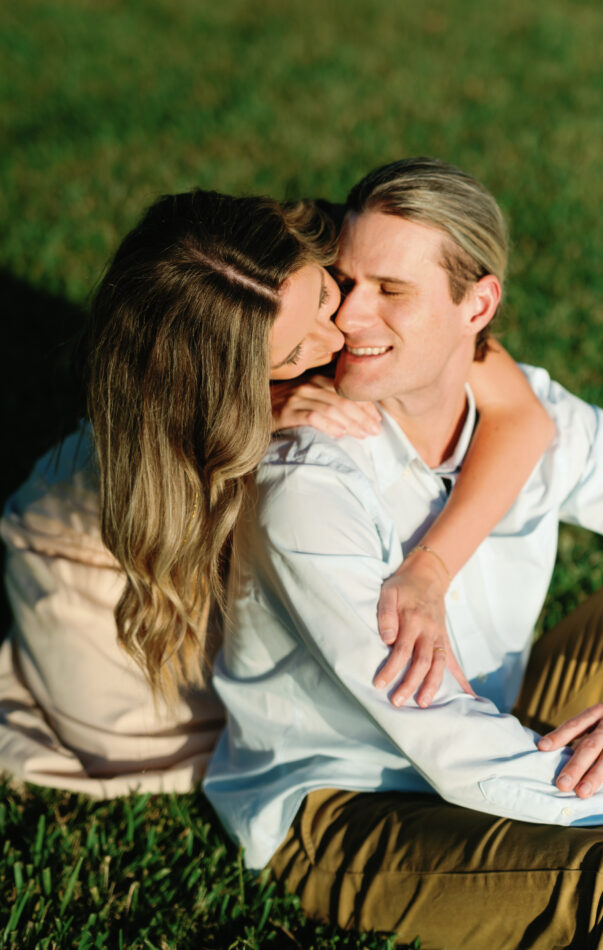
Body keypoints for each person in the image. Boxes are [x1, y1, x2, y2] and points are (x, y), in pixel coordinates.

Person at [204, 159, 603, 950]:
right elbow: (446, 750)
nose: (349, 318)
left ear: (478, 306)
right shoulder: (308, 479)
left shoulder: (528, 410)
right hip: (348, 802)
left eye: (391, 289)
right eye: (345, 283)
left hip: (504, 714)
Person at [0, 186, 552, 795]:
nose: (338, 336)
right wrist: (252, 413)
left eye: (323, 294)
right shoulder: (178, 417)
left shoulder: (346, 251)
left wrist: (430, 569)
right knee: (154, 748)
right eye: (293, 353)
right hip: (97, 553)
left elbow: (524, 420)